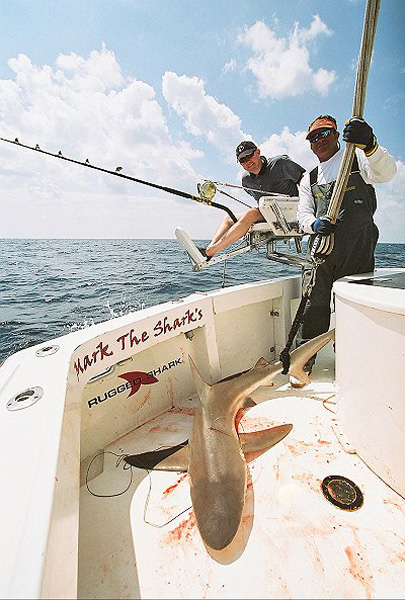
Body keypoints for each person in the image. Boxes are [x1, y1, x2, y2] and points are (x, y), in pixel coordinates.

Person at [290, 114, 397, 387]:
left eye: (324, 134)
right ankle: (302, 364)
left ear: (337, 135)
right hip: (321, 252)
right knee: (312, 308)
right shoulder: (308, 178)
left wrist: (370, 144)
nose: (319, 141)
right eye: (313, 138)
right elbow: (303, 214)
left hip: (358, 250)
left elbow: (387, 173)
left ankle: (352, 364)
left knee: (354, 311)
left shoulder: (357, 158)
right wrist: (313, 224)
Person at [201, 141, 305, 258]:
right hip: (267, 212)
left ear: (258, 152)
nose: (247, 161)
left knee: (251, 214)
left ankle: (211, 251)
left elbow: (305, 180)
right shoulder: (246, 180)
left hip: (290, 212)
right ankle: (209, 248)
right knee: (229, 218)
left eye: (249, 155)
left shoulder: (280, 163)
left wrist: (308, 208)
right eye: (242, 160)